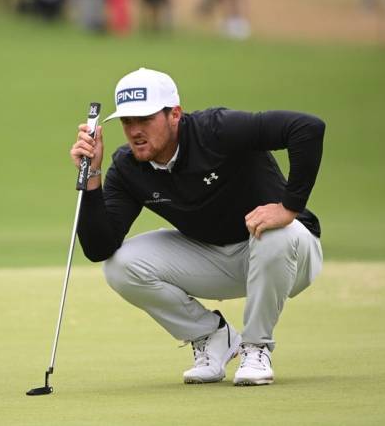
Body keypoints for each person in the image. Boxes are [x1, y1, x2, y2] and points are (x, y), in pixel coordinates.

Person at [69, 68, 325, 386]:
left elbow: (307, 128)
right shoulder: (128, 166)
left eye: (144, 119)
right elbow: (99, 248)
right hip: (219, 260)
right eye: (127, 121)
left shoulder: (216, 130)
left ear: (174, 114)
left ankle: (256, 347)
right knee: (120, 265)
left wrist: (289, 207)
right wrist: (92, 175)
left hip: (289, 254)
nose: (134, 130)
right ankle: (212, 336)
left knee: (277, 232)